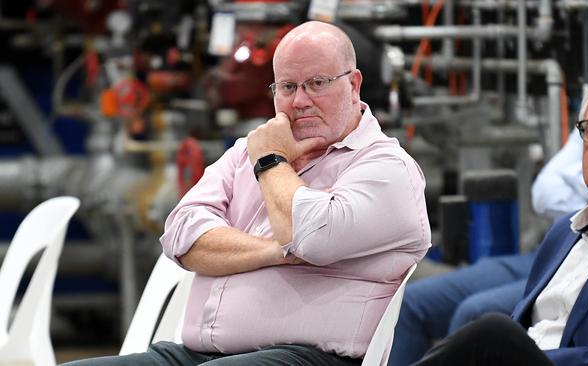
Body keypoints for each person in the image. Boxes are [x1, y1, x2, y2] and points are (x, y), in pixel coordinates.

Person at [61, 21, 431, 366]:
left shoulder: (386, 167)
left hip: (307, 356)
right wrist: (275, 251)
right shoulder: (247, 150)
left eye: (317, 83)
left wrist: (272, 161)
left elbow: (312, 238)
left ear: (353, 84)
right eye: (287, 87)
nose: (299, 101)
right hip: (197, 354)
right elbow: (181, 233)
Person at [389, 1, 588, 363]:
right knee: (413, 302)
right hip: (556, 249)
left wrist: (531, 357)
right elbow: (545, 190)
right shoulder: (564, 230)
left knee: (485, 324)